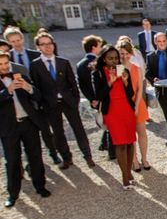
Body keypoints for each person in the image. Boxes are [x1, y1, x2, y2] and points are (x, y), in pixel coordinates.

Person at [31, 32, 95, 169]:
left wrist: (75, 100)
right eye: (43, 44)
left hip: (68, 101)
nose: (47, 47)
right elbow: (36, 87)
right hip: (51, 104)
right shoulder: (35, 66)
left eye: (49, 43)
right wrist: (43, 104)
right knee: (58, 133)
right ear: (38, 47)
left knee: (79, 129)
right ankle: (67, 158)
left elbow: (73, 83)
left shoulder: (63, 62)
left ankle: (87, 155)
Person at [0, 51, 51, 207]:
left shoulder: (19, 75)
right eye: (0, 65)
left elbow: (37, 96)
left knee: (35, 155)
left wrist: (28, 87)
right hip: (8, 127)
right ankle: (13, 194)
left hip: (28, 123)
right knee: (13, 160)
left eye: (5, 63)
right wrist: (7, 90)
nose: (3, 67)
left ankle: (40, 186)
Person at [93, 46, 137, 189]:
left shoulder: (123, 70)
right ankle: (124, 178)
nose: (114, 61)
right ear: (104, 59)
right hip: (112, 111)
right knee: (120, 143)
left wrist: (125, 81)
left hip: (126, 109)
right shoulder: (98, 73)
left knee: (130, 142)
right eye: (110, 58)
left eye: (116, 58)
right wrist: (110, 82)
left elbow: (130, 93)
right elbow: (99, 95)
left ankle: (129, 172)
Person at [77, 35, 114, 159]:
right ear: (94, 47)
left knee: (104, 121)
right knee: (108, 123)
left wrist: (91, 99)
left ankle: (104, 144)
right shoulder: (99, 63)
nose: (101, 48)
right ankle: (111, 150)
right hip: (104, 97)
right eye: (99, 45)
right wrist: (97, 98)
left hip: (94, 99)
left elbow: (82, 86)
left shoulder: (80, 64)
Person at [116, 40, 151, 173]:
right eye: (121, 54)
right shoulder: (117, 70)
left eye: (126, 53)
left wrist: (136, 106)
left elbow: (140, 88)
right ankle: (134, 160)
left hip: (138, 103)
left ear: (130, 53)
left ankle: (144, 158)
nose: (124, 56)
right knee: (130, 136)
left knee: (142, 133)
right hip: (124, 106)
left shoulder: (137, 68)